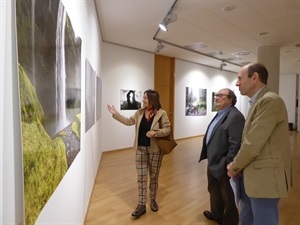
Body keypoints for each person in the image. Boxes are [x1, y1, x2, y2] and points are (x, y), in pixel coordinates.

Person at [227, 63, 292, 225]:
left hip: (264, 179)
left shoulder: (269, 101)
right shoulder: (259, 102)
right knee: (247, 218)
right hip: (253, 177)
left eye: (240, 78)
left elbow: (252, 143)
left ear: (254, 78)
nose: (237, 83)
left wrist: (235, 165)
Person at [107, 89, 171, 218]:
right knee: (141, 178)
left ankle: (152, 200)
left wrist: (155, 133)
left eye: (145, 98)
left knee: (153, 177)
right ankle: (142, 204)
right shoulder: (139, 112)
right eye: (143, 97)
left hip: (155, 151)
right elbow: (128, 121)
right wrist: (115, 114)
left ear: (152, 100)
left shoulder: (161, 113)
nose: (143, 99)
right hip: (140, 149)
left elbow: (168, 129)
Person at [199, 88, 245, 225]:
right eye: (216, 95)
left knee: (228, 195)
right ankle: (217, 214)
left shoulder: (235, 116)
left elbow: (235, 144)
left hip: (224, 164)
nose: (216, 97)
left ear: (230, 99)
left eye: (220, 95)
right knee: (214, 189)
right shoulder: (220, 113)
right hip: (213, 160)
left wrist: (227, 162)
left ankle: (230, 221)